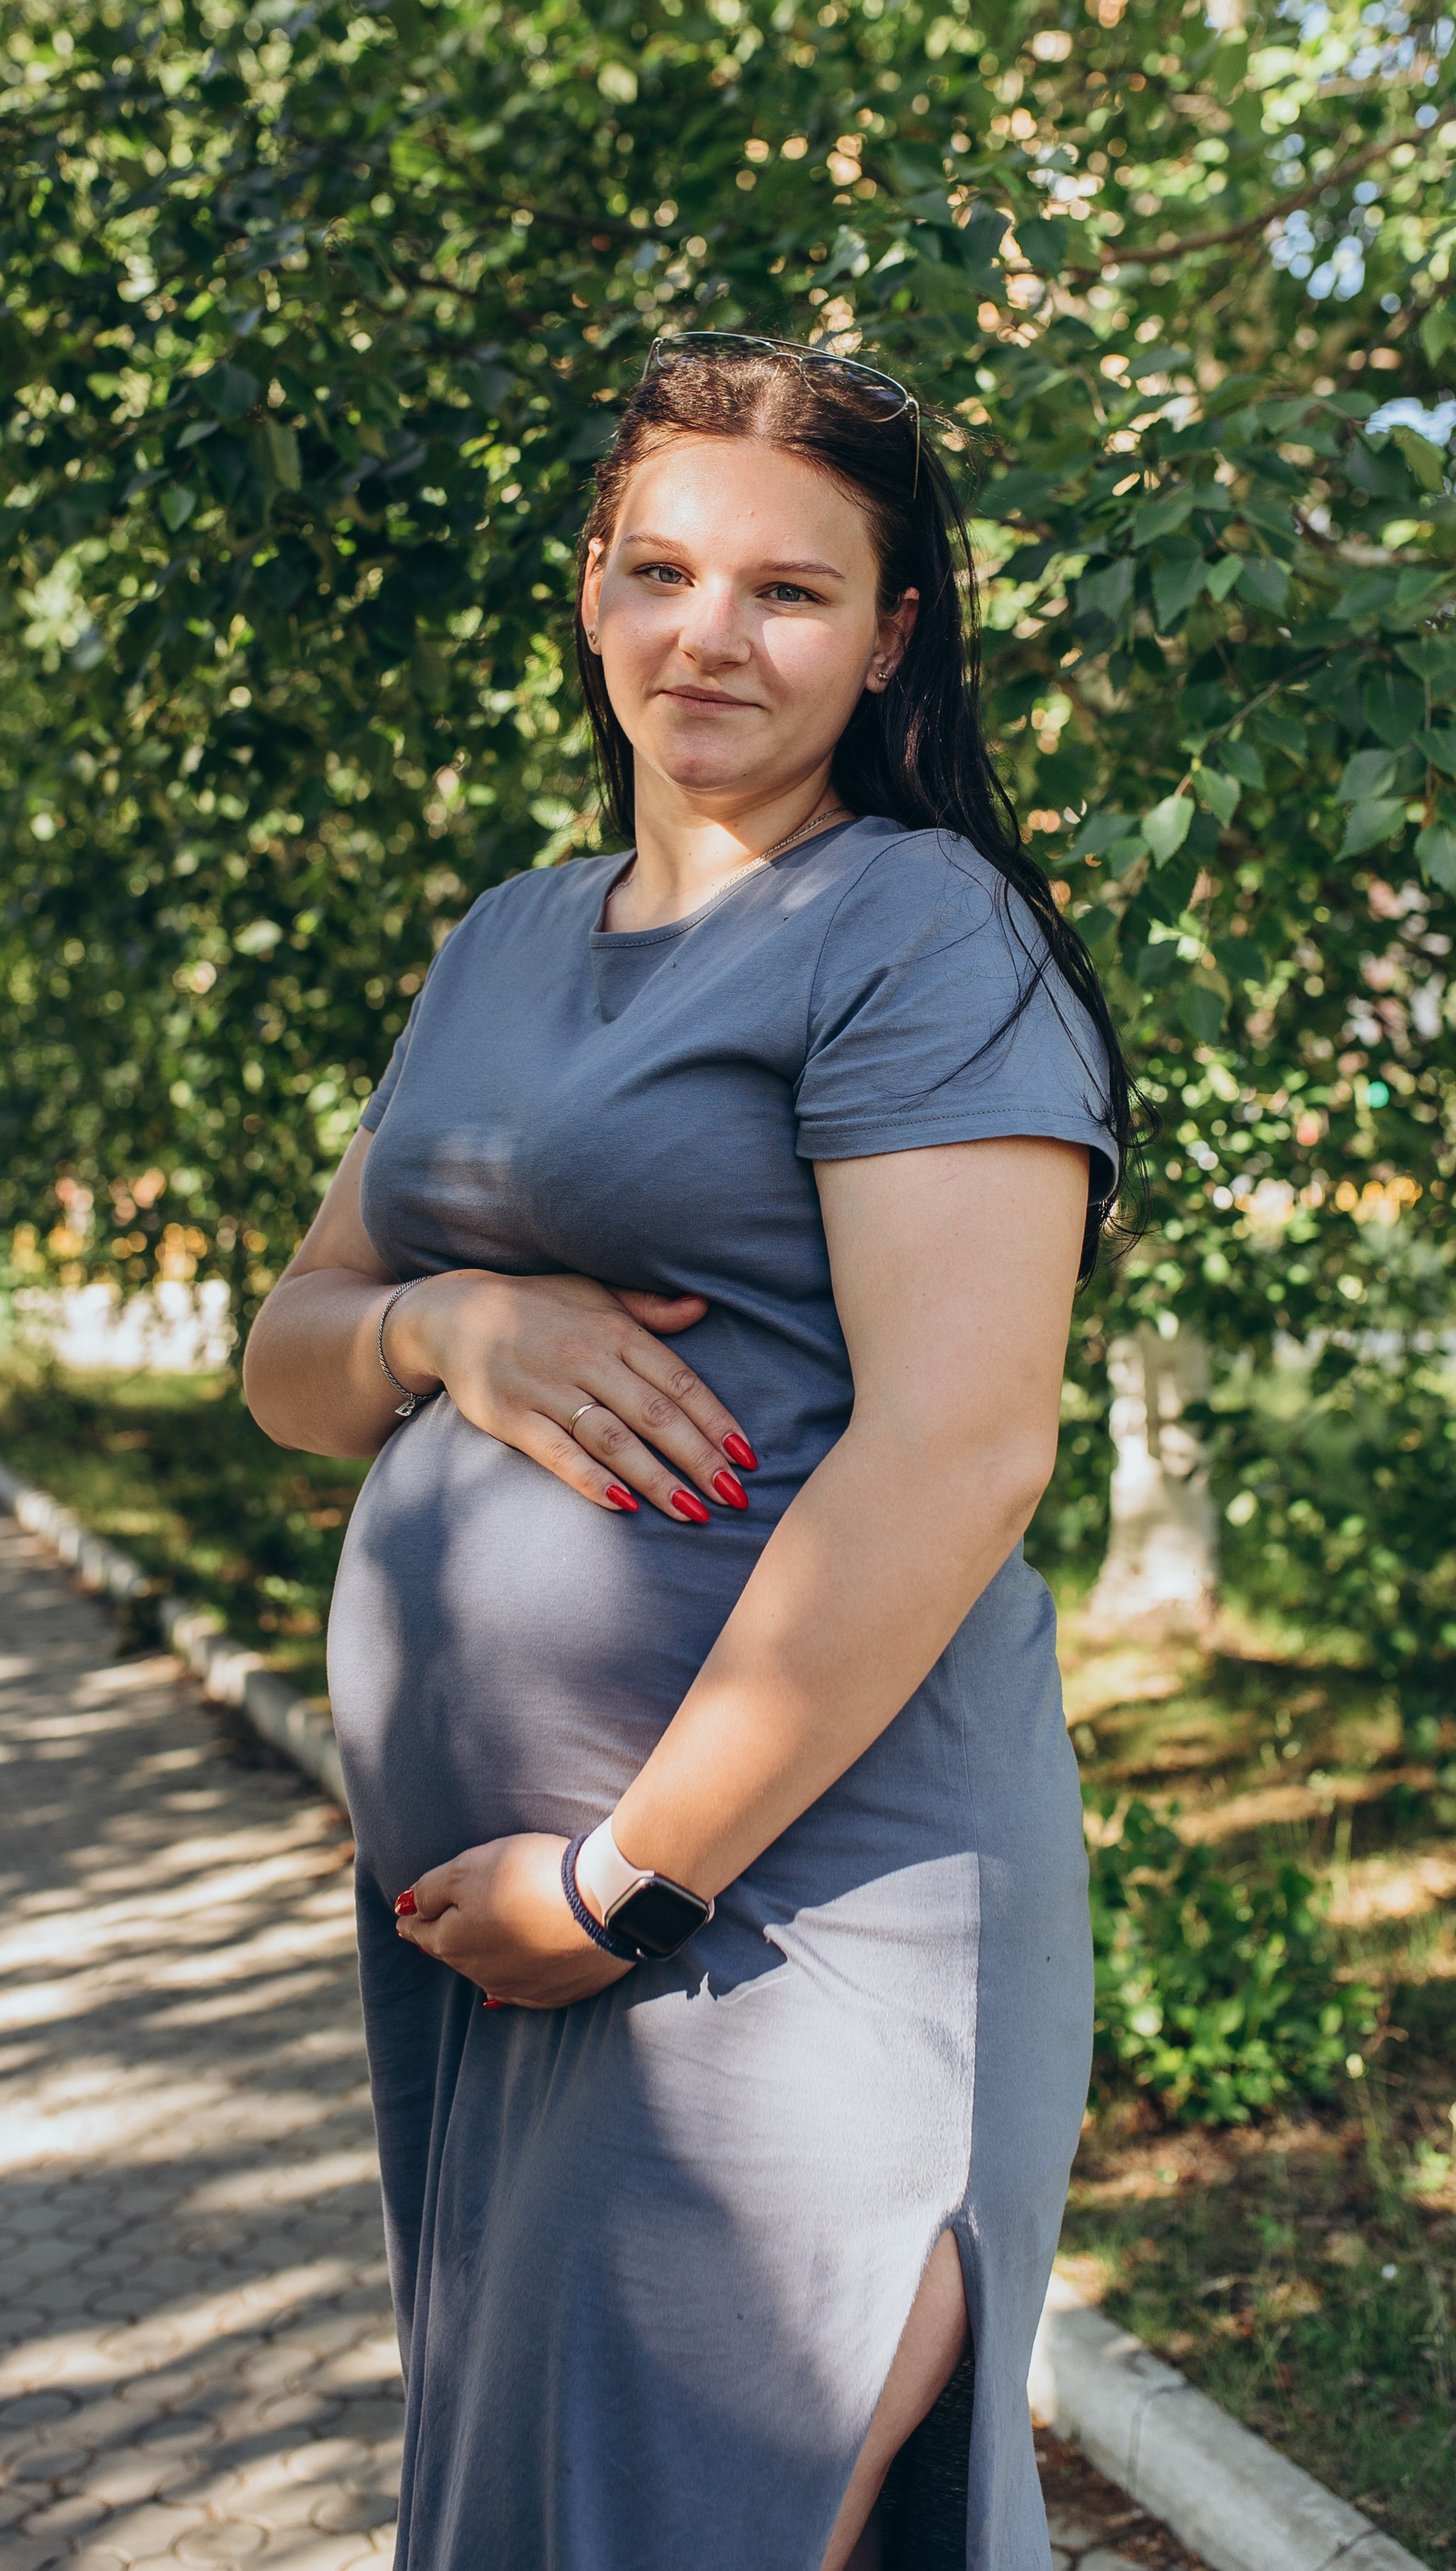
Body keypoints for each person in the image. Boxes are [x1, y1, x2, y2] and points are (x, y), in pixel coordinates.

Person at [242, 333, 1134, 2571]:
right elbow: (287, 1356)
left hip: (792, 1905)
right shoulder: (506, 938)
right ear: (590, 594)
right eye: (661, 570)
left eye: (791, 592)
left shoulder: (922, 932)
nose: (710, 637)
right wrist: (449, 1321)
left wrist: (625, 1875)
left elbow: (958, 1455)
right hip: (499, 1948)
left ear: (894, 634)